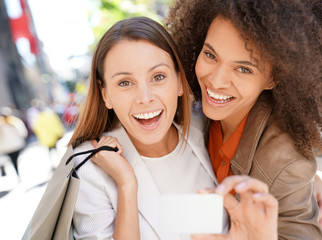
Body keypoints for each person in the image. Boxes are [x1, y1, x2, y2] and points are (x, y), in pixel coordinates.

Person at [68, 16, 278, 239]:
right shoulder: (90, 166)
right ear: (105, 94)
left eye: (158, 77)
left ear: (179, 81)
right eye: (125, 83)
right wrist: (126, 185)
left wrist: (308, 178)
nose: (145, 98)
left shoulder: (201, 128)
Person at [166, 0, 322, 239]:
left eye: (244, 69)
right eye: (210, 55)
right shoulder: (191, 100)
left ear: (272, 78)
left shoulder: (287, 162)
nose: (216, 80)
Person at [0, 107, 28, 179]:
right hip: (16, 145)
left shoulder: (2, 124)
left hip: (7, 147)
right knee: (16, 159)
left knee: (13, 160)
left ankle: (16, 171)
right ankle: (18, 172)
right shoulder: (15, 121)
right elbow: (23, 132)